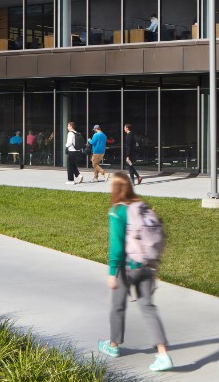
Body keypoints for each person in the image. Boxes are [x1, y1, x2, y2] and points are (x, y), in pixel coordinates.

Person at [97, 171, 172, 372]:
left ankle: (113, 345)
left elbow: (116, 246)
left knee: (118, 306)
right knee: (148, 307)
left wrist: (112, 273)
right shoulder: (140, 206)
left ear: (114, 189)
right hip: (147, 264)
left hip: (127, 266)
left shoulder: (117, 211)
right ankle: (163, 354)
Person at [64, 120, 83, 184]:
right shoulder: (76, 132)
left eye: (68, 126)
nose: (67, 127)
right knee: (73, 165)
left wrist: (66, 145)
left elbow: (69, 142)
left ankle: (71, 180)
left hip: (72, 151)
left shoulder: (70, 133)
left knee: (69, 166)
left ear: (71, 126)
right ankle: (79, 175)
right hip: (77, 151)